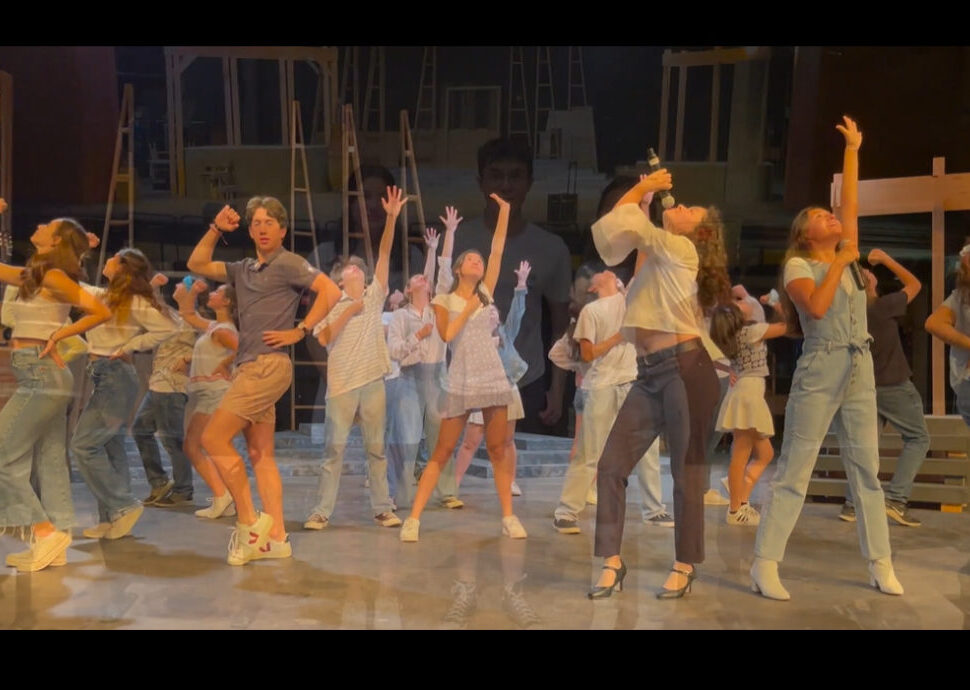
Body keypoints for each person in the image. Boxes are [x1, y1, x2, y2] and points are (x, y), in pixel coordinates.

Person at [751, 116, 903, 600]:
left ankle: (880, 562)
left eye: (829, 214)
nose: (831, 218)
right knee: (796, 467)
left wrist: (853, 150)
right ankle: (765, 562)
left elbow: (850, 204)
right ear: (804, 233)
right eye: (820, 216)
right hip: (820, 366)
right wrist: (838, 262)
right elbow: (815, 308)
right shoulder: (800, 265)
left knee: (866, 470)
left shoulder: (846, 252)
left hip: (860, 367)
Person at [586, 169, 722, 600]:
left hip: (685, 369)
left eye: (689, 210)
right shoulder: (658, 257)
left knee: (686, 473)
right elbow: (618, 235)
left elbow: (632, 227)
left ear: (699, 233)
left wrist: (644, 190)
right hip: (648, 375)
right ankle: (611, 561)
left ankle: (685, 564)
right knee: (611, 466)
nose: (678, 204)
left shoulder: (683, 249)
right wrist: (642, 199)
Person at [187, 197, 342, 565]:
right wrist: (216, 229)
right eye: (256, 222)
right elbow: (197, 264)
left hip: (267, 366)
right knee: (260, 454)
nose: (262, 228)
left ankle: (250, 524)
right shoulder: (244, 269)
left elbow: (332, 291)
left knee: (212, 438)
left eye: (270, 222)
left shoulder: (288, 262)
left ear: (282, 230)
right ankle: (277, 538)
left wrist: (300, 330)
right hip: (250, 366)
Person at [399, 194, 526, 542]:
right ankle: (413, 519)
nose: (477, 262)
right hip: (461, 377)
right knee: (442, 451)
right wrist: (470, 307)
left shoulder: (486, 289)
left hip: (492, 375)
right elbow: (447, 334)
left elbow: (497, 250)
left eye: (479, 261)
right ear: (458, 269)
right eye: (471, 259)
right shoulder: (444, 299)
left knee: (498, 449)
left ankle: (508, 516)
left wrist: (505, 212)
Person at [0, 207, 111, 571]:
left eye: (47, 225)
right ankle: (56, 542)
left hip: (42, 372)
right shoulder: (38, 274)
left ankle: (44, 533)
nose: (39, 224)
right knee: (49, 460)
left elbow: (100, 311)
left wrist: (62, 334)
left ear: (56, 240)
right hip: (40, 372)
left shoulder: (54, 276)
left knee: (3, 453)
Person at [302, 186, 409, 531]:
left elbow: (384, 254)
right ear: (340, 280)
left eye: (361, 273)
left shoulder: (374, 297)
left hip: (372, 382)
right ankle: (321, 511)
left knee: (376, 451)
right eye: (351, 272)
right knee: (333, 452)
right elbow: (322, 337)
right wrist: (349, 309)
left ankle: (382, 508)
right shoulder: (332, 307)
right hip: (342, 386)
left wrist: (391, 219)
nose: (358, 274)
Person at [451, 138, 572, 435]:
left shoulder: (550, 248)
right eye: (496, 176)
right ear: (481, 182)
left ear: (529, 183)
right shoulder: (455, 240)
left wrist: (556, 389)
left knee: (515, 460)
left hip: (524, 380)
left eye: (515, 176)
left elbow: (561, 327)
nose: (506, 185)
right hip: (464, 378)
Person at [553, 267, 673, 535]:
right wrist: (620, 336)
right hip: (602, 385)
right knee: (589, 452)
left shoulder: (630, 300)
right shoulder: (591, 311)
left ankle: (654, 510)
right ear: (593, 287)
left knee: (648, 449)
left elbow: (642, 265)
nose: (608, 271)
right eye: (602, 272)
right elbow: (587, 354)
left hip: (634, 382)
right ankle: (566, 512)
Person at [73, 248, 179, 541]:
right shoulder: (106, 296)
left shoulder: (133, 301)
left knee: (83, 445)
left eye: (112, 259)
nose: (106, 261)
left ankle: (123, 505)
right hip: (105, 375)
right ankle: (111, 518)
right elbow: (71, 285)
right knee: (110, 447)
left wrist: (131, 345)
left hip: (115, 376)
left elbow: (170, 327)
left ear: (121, 268)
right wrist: (78, 254)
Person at [840, 249, 927, 527]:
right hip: (894, 384)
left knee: (866, 446)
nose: (868, 270)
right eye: (865, 272)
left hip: (864, 387)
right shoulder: (883, 306)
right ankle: (897, 499)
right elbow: (914, 284)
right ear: (868, 283)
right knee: (918, 439)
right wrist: (888, 260)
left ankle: (852, 504)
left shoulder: (849, 316)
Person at [385, 221, 462, 510]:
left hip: (437, 375)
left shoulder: (435, 310)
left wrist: (446, 237)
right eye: (415, 278)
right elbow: (394, 351)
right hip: (409, 378)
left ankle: (447, 491)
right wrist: (416, 337)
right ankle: (398, 494)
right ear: (407, 289)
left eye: (423, 278)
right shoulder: (400, 317)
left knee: (441, 437)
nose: (421, 278)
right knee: (405, 438)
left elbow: (443, 274)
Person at [709, 293, 788, 525]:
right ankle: (735, 509)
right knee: (741, 453)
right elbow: (787, 327)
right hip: (748, 393)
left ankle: (740, 496)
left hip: (747, 391)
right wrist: (776, 304)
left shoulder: (736, 334)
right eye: (738, 302)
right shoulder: (751, 332)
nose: (742, 301)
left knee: (765, 454)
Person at [173, 278, 240, 519]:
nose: (211, 294)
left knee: (194, 445)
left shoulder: (224, 330)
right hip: (205, 393)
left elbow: (242, 348)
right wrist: (192, 292)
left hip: (215, 392)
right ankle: (226, 497)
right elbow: (187, 313)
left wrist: (225, 364)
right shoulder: (214, 326)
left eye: (217, 292)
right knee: (205, 446)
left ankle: (222, 496)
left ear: (227, 301)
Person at [132, 275, 199, 508]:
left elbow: (217, 346)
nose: (177, 287)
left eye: (183, 286)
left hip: (172, 385)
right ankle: (159, 482)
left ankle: (183, 489)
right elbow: (152, 303)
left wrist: (188, 357)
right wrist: (152, 285)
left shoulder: (196, 319)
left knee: (172, 440)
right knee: (140, 430)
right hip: (157, 384)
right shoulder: (172, 315)